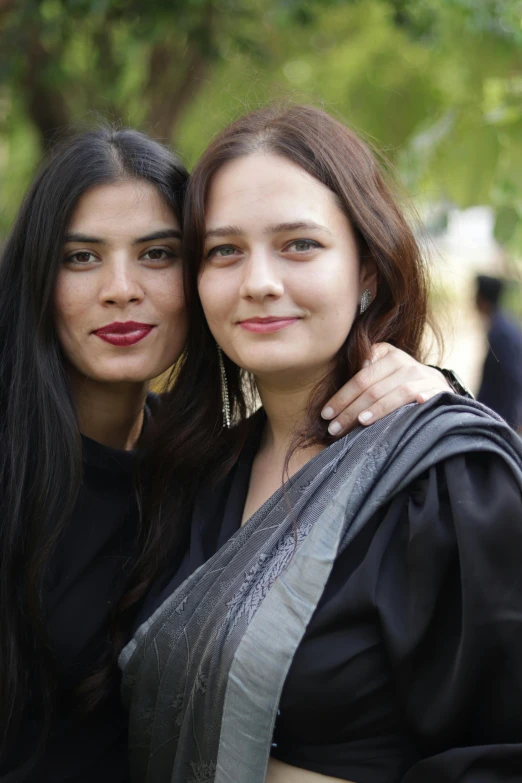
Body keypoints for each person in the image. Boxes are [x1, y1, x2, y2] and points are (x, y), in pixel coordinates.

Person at [0, 126, 450, 783]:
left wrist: (433, 392)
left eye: (157, 254)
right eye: (80, 257)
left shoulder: (202, 471)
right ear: (37, 275)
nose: (121, 288)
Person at [121, 105, 522, 783]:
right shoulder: (191, 472)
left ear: (367, 268)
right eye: (224, 250)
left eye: (299, 244)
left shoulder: (446, 483)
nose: (258, 281)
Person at [475, 274, 522, 428]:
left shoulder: (500, 333)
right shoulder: (502, 325)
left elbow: (513, 378)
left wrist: (512, 422)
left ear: (482, 299)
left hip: (500, 418)